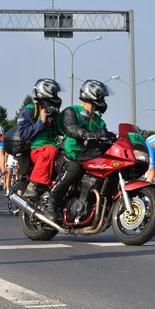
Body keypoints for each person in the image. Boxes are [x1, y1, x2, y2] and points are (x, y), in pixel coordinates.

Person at [45, 80, 112, 222]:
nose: (104, 100)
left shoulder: (99, 122)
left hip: (87, 157)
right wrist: (87, 134)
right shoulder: (72, 111)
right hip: (69, 156)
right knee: (74, 169)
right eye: (103, 96)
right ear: (94, 95)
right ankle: (51, 204)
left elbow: (103, 136)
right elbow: (71, 128)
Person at [16, 78, 62, 198]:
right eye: (55, 93)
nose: (57, 97)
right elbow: (23, 133)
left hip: (55, 149)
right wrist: (41, 122)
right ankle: (34, 186)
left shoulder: (54, 111)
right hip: (37, 150)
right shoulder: (31, 109)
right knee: (50, 150)